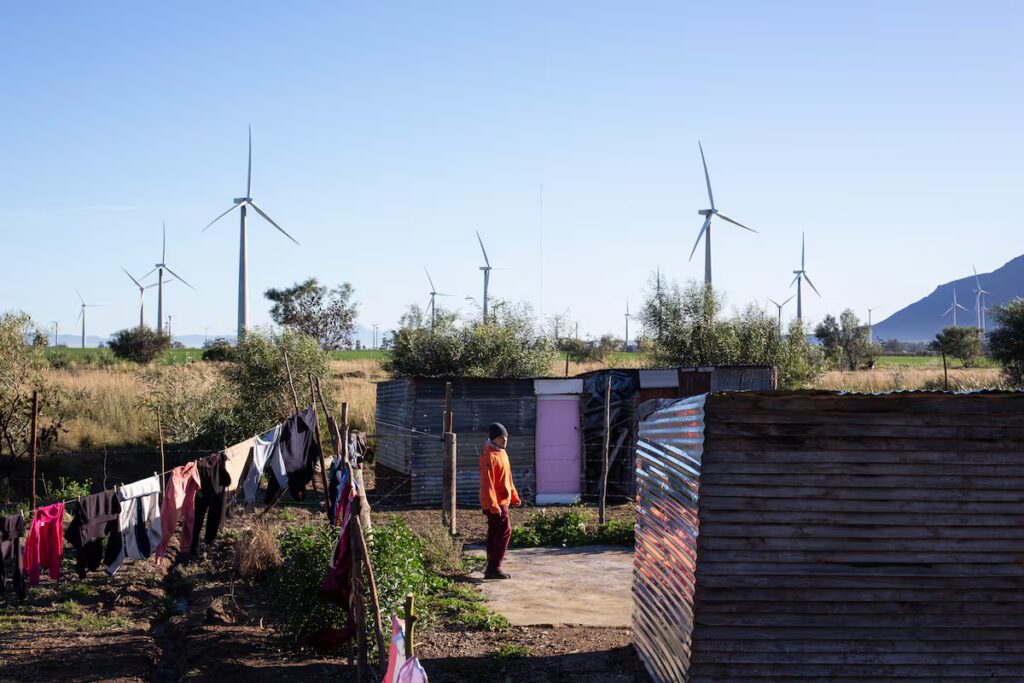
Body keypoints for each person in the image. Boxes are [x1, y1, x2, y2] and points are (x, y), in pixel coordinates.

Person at [479, 422, 520, 579]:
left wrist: (514, 495)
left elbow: (507, 477)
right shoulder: (489, 455)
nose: (505, 441)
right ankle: (494, 568)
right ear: (493, 438)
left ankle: (492, 567)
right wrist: (492, 504)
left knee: (495, 532)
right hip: (495, 502)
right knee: (504, 532)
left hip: (502, 500)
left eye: (506, 438)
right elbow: (487, 482)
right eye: (501, 438)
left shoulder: (502, 453)